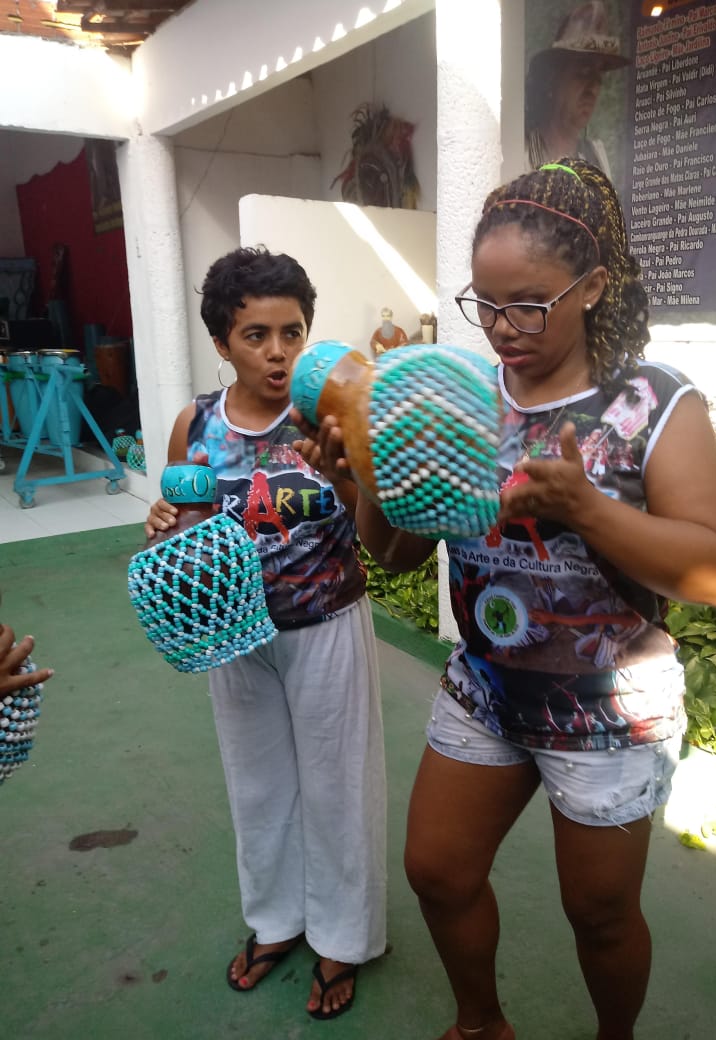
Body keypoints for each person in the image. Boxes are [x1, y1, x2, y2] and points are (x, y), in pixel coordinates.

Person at [304, 159, 716, 1040]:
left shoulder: (651, 402)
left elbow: (715, 573)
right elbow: (398, 550)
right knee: (437, 871)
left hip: (608, 708)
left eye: (531, 305)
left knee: (600, 914)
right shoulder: (454, 395)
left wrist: (586, 510)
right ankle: (481, 1024)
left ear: (594, 288)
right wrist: (363, 474)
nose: (505, 329)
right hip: (487, 689)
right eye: (488, 305)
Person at [144, 246, 386, 1021]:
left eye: (292, 333)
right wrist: (163, 523)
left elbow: (374, 529)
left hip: (326, 621)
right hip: (233, 631)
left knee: (338, 785)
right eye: (256, 335)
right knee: (257, 785)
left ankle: (344, 937)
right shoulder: (196, 424)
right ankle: (276, 921)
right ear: (222, 342)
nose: (278, 352)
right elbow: (186, 524)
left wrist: (346, 469)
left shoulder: (332, 418)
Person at [524, 1, 630, 177]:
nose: (593, 87)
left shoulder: (595, 157)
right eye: (584, 72)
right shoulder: (524, 150)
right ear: (554, 78)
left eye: (598, 76)